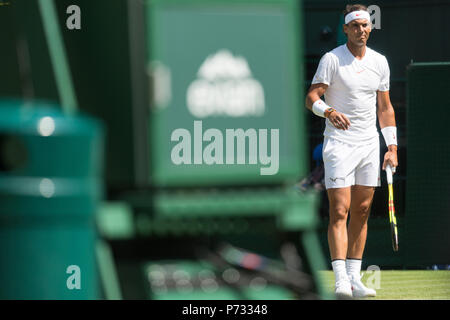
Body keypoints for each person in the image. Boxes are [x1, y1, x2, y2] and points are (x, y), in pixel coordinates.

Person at [305, 4, 398, 298]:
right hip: (339, 145)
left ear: (370, 28)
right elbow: (311, 98)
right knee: (340, 210)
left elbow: (384, 108)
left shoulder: (380, 62)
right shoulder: (331, 60)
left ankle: (356, 279)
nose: (361, 30)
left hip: (369, 145)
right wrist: (328, 110)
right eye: (355, 26)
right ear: (345, 29)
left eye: (365, 25)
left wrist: (391, 147)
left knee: (361, 210)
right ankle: (340, 280)